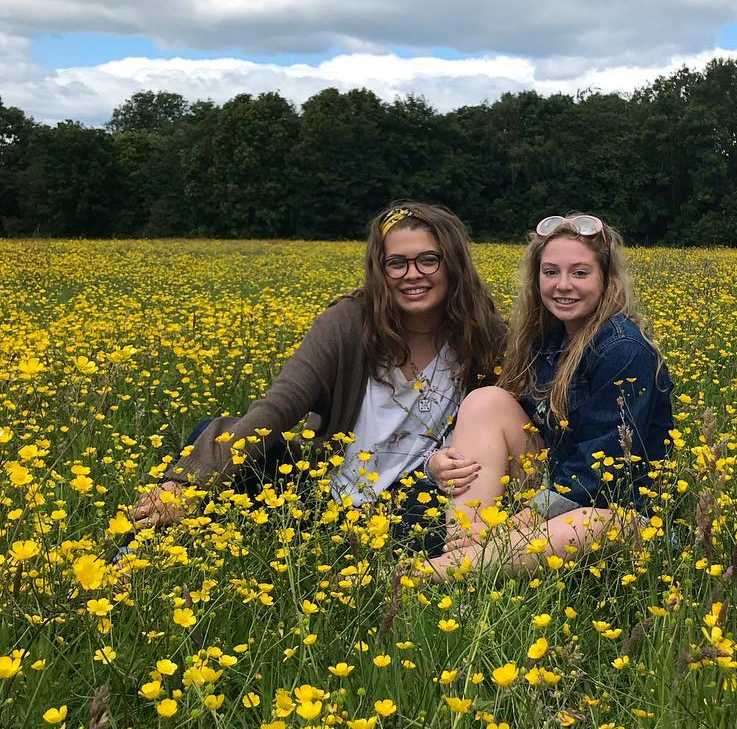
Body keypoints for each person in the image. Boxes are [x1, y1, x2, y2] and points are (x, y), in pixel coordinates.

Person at [129, 202, 504, 552]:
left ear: (453, 263)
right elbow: (279, 406)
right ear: (380, 270)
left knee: (430, 525)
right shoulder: (347, 323)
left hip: (415, 499)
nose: (412, 274)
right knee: (213, 437)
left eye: (428, 260)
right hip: (321, 497)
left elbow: (509, 423)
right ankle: (134, 558)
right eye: (396, 263)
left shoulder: (486, 339)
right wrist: (191, 483)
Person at [422, 213, 673, 579]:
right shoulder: (546, 337)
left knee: (585, 524)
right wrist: (436, 461)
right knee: (485, 402)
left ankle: (428, 575)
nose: (563, 285)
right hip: (553, 488)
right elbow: (510, 425)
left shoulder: (622, 348)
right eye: (551, 272)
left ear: (606, 278)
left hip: (621, 510)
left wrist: (524, 519)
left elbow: (602, 473)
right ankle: (467, 547)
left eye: (580, 273)